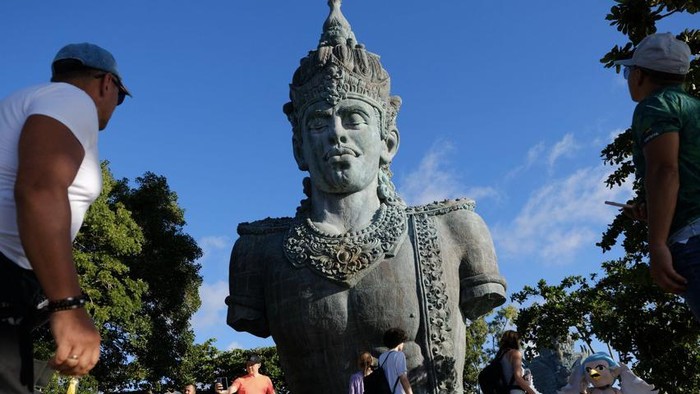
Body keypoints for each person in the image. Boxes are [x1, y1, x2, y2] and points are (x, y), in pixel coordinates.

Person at [226, 2, 506, 392]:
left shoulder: (456, 231)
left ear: (388, 141)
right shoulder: (258, 252)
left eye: (354, 118)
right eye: (319, 122)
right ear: (299, 148)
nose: (337, 134)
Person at [0, 42, 130, 393]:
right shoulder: (73, 100)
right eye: (119, 98)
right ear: (107, 84)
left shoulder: (33, 99)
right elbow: (40, 188)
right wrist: (69, 305)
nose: (114, 108)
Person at [615, 32, 700, 322]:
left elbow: (665, 170)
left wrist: (658, 244)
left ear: (639, 75)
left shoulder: (655, 107)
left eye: (628, 71)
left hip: (692, 237)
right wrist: (653, 209)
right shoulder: (693, 108)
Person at [377, 328, 413, 394]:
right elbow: (403, 378)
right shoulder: (399, 355)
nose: (403, 345)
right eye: (403, 342)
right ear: (399, 342)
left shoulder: (381, 357)